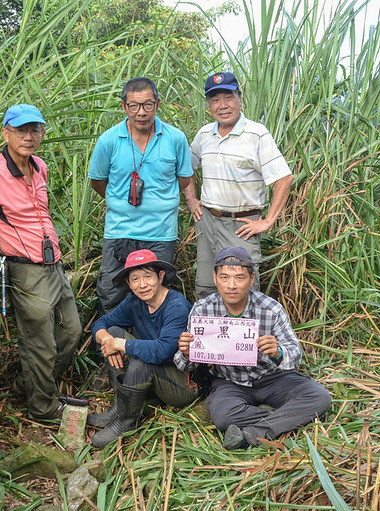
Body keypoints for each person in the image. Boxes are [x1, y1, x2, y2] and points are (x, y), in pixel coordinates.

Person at [0, 104, 81, 421]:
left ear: (42, 133)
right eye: (21, 130)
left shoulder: (40, 167)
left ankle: (31, 384)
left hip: (54, 265)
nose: (28, 136)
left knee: (71, 332)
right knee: (40, 345)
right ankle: (43, 408)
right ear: (5, 133)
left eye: (34, 130)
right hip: (25, 270)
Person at [175, 247, 330, 449]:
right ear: (214, 278)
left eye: (239, 278)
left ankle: (251, 434)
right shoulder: (202, 309)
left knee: (319, 397)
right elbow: (181, 364)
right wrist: (187, 353)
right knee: (222, 416)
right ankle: (286, 416)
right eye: (224, 277)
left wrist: (278, 352)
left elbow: (295, 354)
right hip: (230, 381)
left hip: (273, 378)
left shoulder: (270, 308)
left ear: (251, 279)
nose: (231, 285)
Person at [88, 76, 198, 314]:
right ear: (124, 106)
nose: (141, 112)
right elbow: (97, 181)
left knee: (157, 297)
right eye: (134, 105)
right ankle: (113, 348)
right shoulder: (108, 140)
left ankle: (151, 350)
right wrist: (118, 203)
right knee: (112, 292)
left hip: (160, 233)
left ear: (157, 104)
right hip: (119, 231)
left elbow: (184, 179)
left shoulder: (175, 138)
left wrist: (160, 201)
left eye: (148, 105)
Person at [188, 72, 294, 296]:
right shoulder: (204, 134)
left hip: (241, 225)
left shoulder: (256, 134)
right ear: (208, 104)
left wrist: (267, 221)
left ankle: (247, 332)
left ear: (239, 98)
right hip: (207, 222)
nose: (222, 106)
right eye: (215, 100)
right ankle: (211, 331)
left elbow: (284, 178)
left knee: (241, 291)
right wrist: (191, 199)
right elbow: (187, 167)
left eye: (228, 97)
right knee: (206, 287)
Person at [88, 249, 205, 448]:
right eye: (135, 279)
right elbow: (101, 323)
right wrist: (107, 339)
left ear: (160, 277)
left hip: (184, 384)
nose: (142, 285)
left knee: (142, 359)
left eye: (148, 276)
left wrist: (119, 344)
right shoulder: (134, 302)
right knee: (115, 330)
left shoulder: (176, 306)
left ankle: (126, 422)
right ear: (128, 283)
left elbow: (162, 351)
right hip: (158, 374)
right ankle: (119, 407)